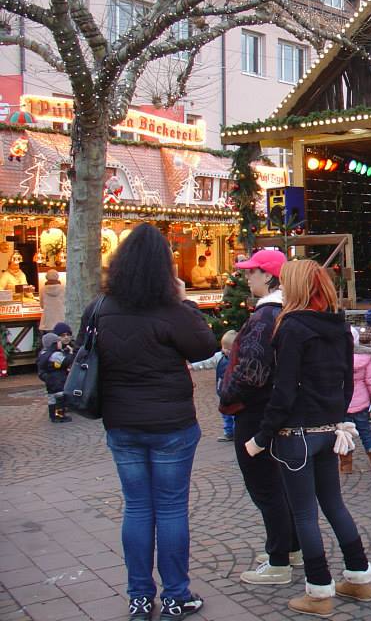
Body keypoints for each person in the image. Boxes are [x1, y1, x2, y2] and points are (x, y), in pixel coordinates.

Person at [81, 223, 217, 620]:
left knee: (137, 508)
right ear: (163, 266)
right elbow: (204, 348)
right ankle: (176, 595)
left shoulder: (100, 307)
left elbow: (84, 348)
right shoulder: (171, 310)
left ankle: (139, 596)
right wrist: (185, 300)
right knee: (171, 508)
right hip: (171, 423)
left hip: (122, 423)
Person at [244, 260, 371, 616]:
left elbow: (283, 391)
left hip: (295, 432)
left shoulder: (292, 327)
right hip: (327, 429)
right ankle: (359, 577)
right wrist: (336, 418)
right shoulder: (338, 326)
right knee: (334, 505)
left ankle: (318, 592)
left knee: (304, 514)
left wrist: (261, 436)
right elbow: (346, 383)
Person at [219, 249, 302, 584]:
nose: (246, 277)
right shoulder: (287, 312)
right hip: (277, 410)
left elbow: (251, 373)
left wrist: (226, 394)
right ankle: (289, 547)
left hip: (255, 413)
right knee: (279, 484)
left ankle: (278, 558)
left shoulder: (264, 316)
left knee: (265, 487)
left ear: (268, 276)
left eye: (251, 272)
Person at [342, 326, 371, 474]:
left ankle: (345, 465)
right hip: (361, 404)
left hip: (342, 405)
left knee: (344, 435)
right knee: (366, 433)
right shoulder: (365, 359)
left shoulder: (334, 359)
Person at [37, 332, 73, 423]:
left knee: (52, 399)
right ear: (54, 344)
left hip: (49, 380)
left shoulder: (43, 353)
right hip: (58, 380)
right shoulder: (55, 354)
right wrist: (70, 353)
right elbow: (66, 361)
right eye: (59, 341)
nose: (61, 343)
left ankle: (52, 415)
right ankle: (60, 416)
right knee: (60, 398)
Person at [215, 330, 237, 442]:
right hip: (222, 390)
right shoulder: (220, 357)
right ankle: (228, 432)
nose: (226, 351)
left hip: (232, 392)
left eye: (229, 349)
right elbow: (208, 361)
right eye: (225, 348)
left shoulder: (237, 360)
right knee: (225, 413)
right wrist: (194, 366)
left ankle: (236, 432)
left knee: (234, 414)